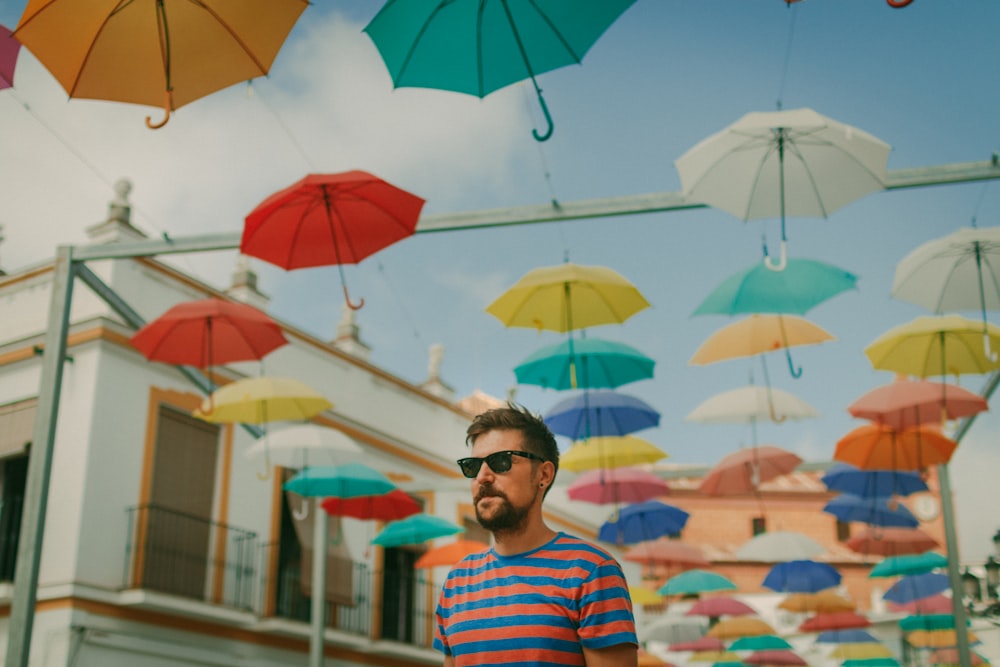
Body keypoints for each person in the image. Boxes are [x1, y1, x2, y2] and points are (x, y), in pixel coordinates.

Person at [434, 402, 638, 666]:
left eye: (501, 461)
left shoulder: (590, 571)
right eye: (473, 466)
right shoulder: (456, 583)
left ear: (543, 474)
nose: (483, 477)